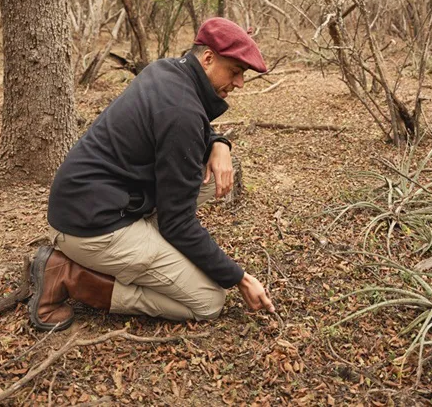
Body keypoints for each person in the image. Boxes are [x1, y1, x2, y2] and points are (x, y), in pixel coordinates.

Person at [29, 17, 275, 330]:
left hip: (88, 200)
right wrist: (239, 278)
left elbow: (184, 127)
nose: (239, 82)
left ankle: (144, 243)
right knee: (209, 300)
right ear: (209, 58)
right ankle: (69, 277)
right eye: (236, 71)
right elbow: (178, 223)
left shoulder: (167, 70)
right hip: (93, 227)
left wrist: (218, 143)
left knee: (207, 180)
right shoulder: (181, 111)